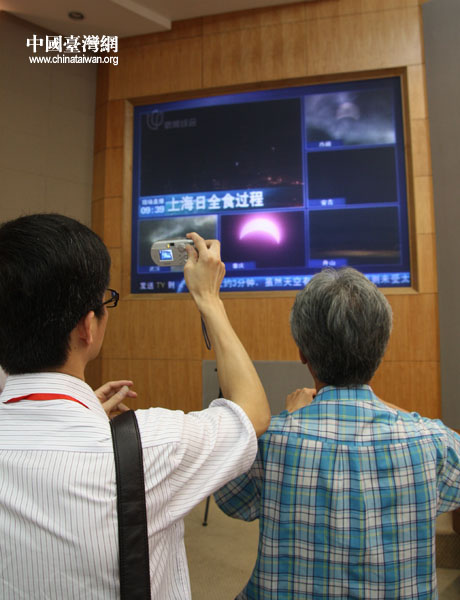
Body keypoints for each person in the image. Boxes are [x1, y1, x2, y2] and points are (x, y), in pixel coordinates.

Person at [0, 213, 270, 600]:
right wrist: (208, 298)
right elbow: (251, 413)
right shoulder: (151, 448)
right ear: (87, 327)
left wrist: (83, 413)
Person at [215, 267, 460, 600]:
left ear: (302, 352)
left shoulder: (270, 444)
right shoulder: (433, 442)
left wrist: (290, 418)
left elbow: (231, 499)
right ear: (381, 348)